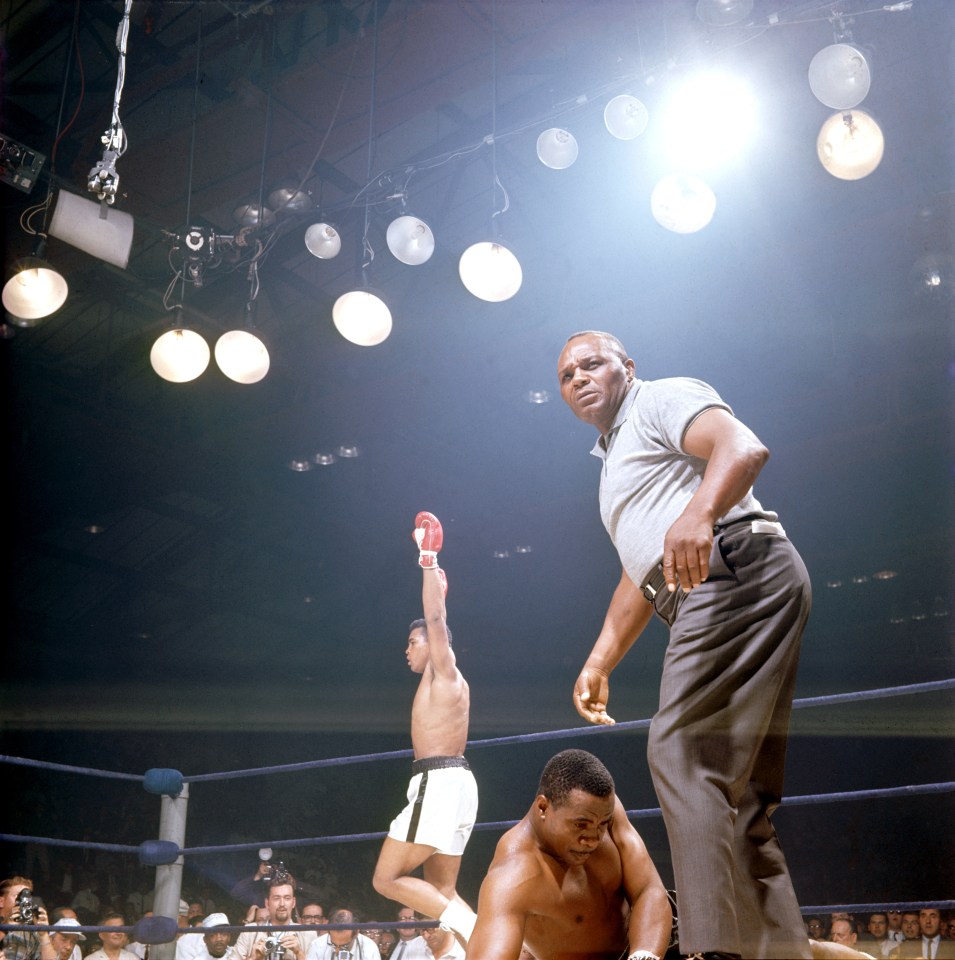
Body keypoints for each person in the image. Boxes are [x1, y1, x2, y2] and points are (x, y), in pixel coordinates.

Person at [557, 331, 812, 960]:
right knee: (742, 799)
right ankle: (779, 953)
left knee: (681, 750)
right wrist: (599, 659)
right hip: (716, 584)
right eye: (566, 375)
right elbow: (638, 571)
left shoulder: (660, 399)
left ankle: (709, 951)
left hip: (733, 567)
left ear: (627, 367)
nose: (579, 378)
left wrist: (700, 512)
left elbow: (742, 446)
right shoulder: (616, 463)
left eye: (592, 364)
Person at [372, 512, 478, 945]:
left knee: (387, 878)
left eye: (411, 642)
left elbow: (435, 620)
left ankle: (477, 929)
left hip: (439, 781)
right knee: (442, 892)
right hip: (454, 783)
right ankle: (508, 951)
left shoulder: (444, 668)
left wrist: (429, 560)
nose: (406, 650)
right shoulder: (439, 682)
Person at [468, 749, 671, 960]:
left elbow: (648, 889)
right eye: (580, 825)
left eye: (603, 824)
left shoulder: (598, 808)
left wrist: (645, 955)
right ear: (543, 807)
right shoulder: (512, 876)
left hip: (646, 948)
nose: (593, 838)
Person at [234, 875, 310, 960]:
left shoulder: (307, 934)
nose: (282, 904)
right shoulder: (249, 932)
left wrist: (299, 953)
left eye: (287, 898)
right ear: (267, 903)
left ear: (293, 903)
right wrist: (253, 958)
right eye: (276, 898)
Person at [0, 877, 56, 960]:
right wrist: (4, 928)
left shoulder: (31, 933)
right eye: (19, 897)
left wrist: (44, 935)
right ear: (1, 901)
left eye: (28, 898)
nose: (24, 902)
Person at [304, 909, 380, 960]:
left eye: (344, 946)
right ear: (329, 932)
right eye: (333, 945)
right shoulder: (317, 945)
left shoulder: (369, 948)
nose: (338, 951)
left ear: (356, 933)